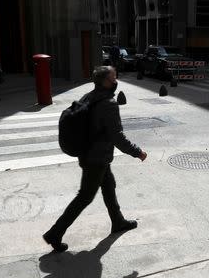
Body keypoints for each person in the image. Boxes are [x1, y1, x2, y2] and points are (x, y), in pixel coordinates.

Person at [42, 66, 148, 253]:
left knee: (109, 186)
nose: (116, 80)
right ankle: (55, 233)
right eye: (113, 77)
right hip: (96, 158)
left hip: (91, 154)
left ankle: (118, 221)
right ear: (105, 81)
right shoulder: (108, 103)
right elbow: (117, 137)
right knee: (84, 197)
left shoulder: (90, 96)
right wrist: (137, 152)